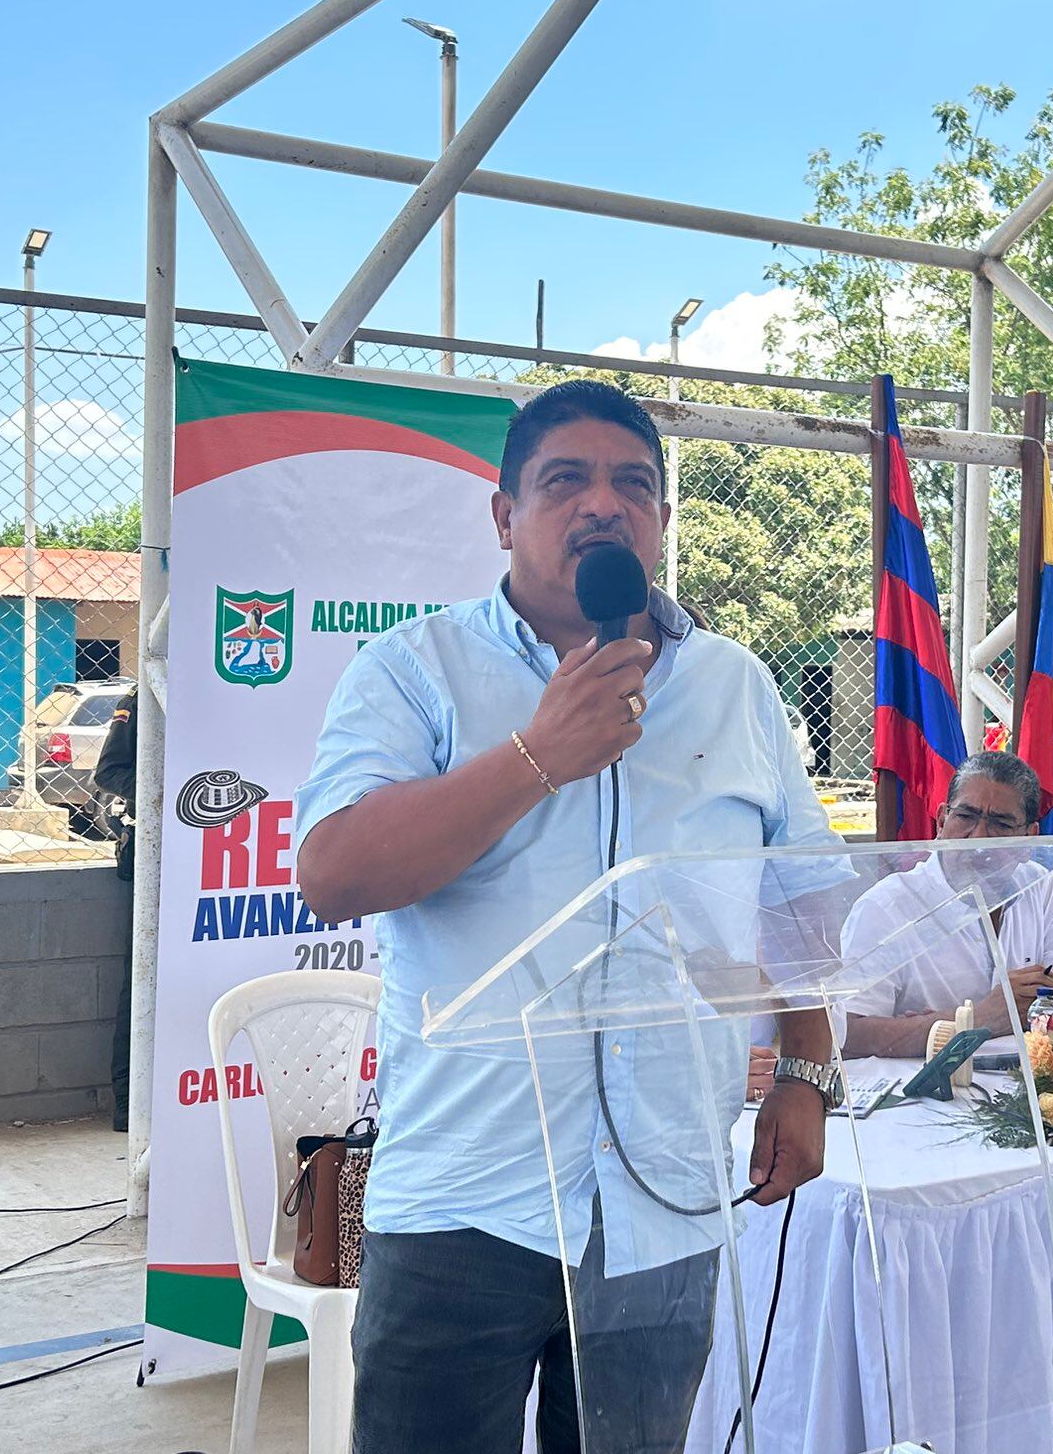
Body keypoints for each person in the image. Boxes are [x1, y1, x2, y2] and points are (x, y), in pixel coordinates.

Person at [293, 379, 836, 1454]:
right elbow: (335, 873)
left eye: (633, 484)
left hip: (663, 1195)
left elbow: (796, 906)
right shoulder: (412, 670)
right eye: (565, 482)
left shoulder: (735, 687)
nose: (603, 505)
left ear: (662, 522)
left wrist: (809, 1076)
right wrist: (537, 756)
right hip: (464, 1198)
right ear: (504, 514)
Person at [839, 752, 1053, 1058]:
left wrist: (931, 1024)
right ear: (941, 821)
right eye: (965, 817)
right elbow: (848, 1035)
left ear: (1029, 839)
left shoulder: (1038, 885)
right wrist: (978, 1018)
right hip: (916, 1096)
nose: (978, 838)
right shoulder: (885, 907)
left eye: (1001, 824)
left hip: (1026, 1088)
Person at [91, 686, 136, 1133]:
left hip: (216, 857)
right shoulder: (146, 697)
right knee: (142, 980)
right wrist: (167, 782)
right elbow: (109, 771)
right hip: (155, 853)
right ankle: (129, 1102)